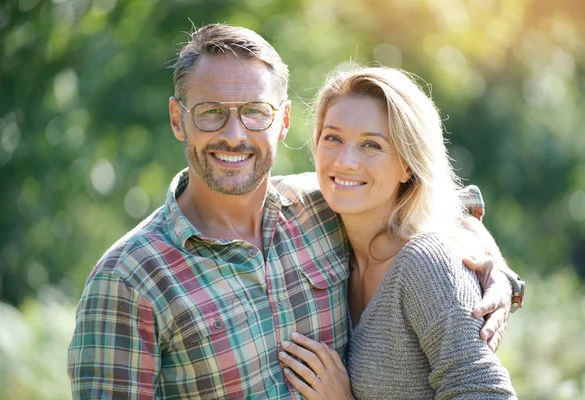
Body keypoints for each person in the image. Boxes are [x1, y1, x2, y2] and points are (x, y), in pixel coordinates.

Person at [67, 24, 523, 399]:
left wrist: (496, 273)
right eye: (209, 112)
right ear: (176, 118)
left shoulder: (323, 206)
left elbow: (439, 203)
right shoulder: (128, 279)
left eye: (255, 112)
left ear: (283, 121)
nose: (234, 133)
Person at [278, 67, 517, 398]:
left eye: (371, 145)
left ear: (408, 164)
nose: (345, 161)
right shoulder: (323, 229)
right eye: (333, 138)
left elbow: (486, 393)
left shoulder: (425, 264)